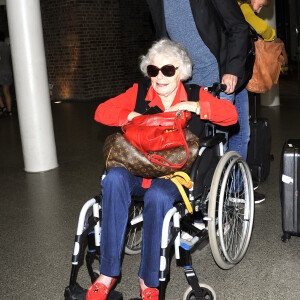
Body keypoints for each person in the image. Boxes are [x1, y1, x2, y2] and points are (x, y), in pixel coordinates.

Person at [86, 39, 238, 300]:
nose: (160, 77)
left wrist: (195, 107)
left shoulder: (194, 93)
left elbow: (230, 116)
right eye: (154, 71)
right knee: (113, 179)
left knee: (158, 195)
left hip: (173, 174)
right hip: (138, 168)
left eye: (168, 70)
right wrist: (129, 116)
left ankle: (148, 281)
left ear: (181, 72)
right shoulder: (139, 93)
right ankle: (108, 273)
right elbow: (101, 112)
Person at [144, 0, 266, 203]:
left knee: (223, 138)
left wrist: (232, 71)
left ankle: (227, 196)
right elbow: (161, 40)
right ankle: (200, 195)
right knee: (191, 139)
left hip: (220, 73)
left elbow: (238, 26)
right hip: (187, 78)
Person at [238, 0, 288, 204]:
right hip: (234, 76)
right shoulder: (241, 7)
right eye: (261, 4)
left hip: (236, 75)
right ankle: (236, 189)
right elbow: (262, 28)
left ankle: (236, 184)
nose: (259, 10)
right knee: (241, 134)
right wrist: (273, 36)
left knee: (241, 131)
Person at [0, 31, 13, 117]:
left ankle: (2, 107)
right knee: (6, 91)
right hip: (8, 71)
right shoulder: (7, 46)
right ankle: (9, 111)